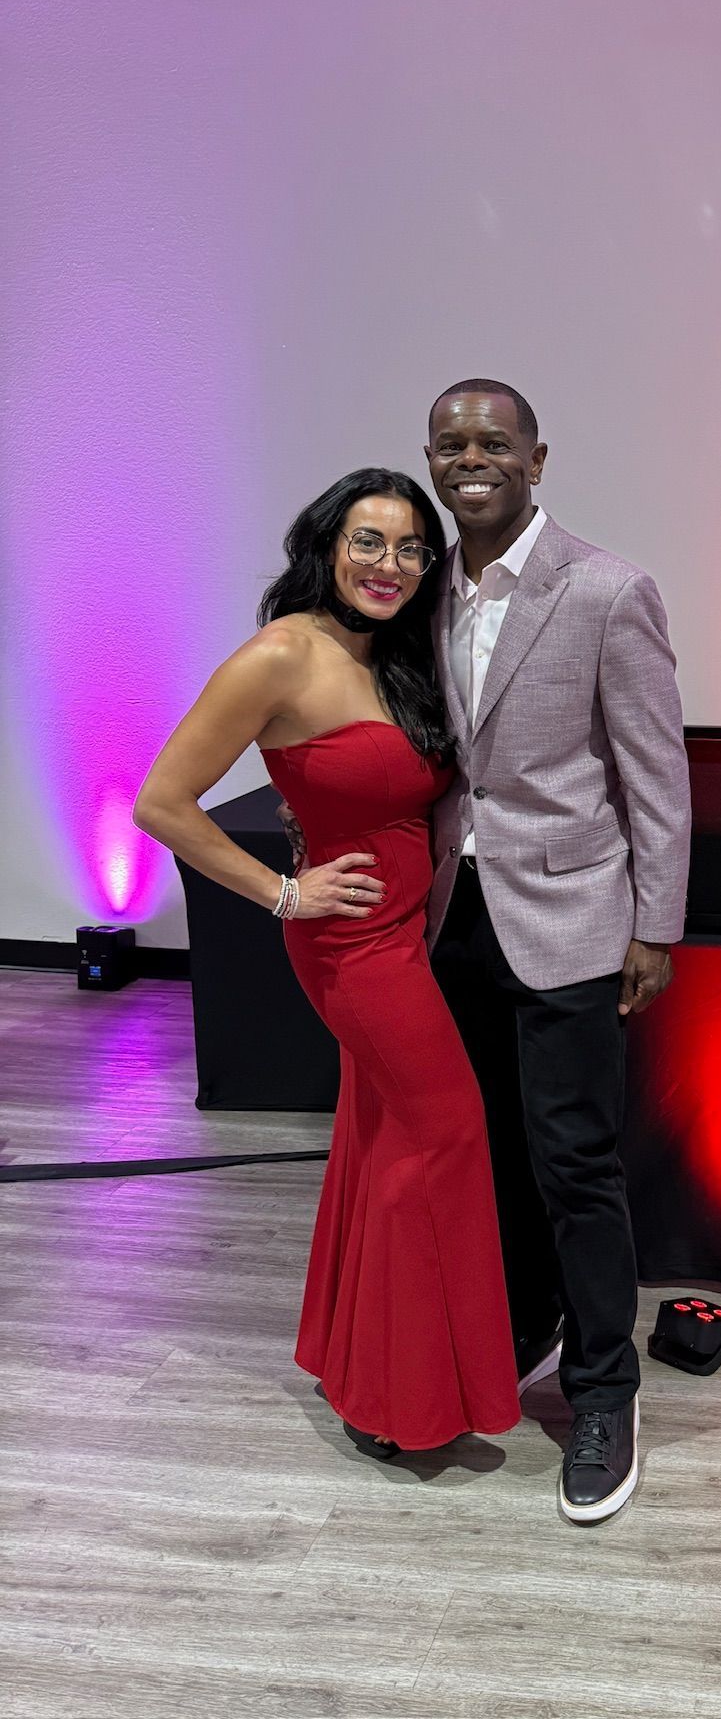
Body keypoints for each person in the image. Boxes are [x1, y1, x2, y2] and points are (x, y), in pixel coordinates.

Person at [134, 468, 520, 1460]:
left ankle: (362, 1367)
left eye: (409, 548)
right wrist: (282, 891)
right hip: (348, 943)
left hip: (412, 929)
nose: (389, 564)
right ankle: (399, 1388)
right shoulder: (278, 655)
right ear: (327, 544)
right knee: (444, 1128)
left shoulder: (399, 654)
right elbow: (162, 802)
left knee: (383, 1138)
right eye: (369, 540)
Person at [423, 377, 691, 1524]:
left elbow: (657, 772)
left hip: (574, 913)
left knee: (575, 1163)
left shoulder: (606, 589)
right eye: (450, 441)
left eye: (493, 440)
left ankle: (603, 1390)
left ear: (538, 458)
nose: (469, 457)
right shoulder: (419, 589)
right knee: (483, 1158)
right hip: (453, 917)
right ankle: (516, 1333)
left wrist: (656, 923)